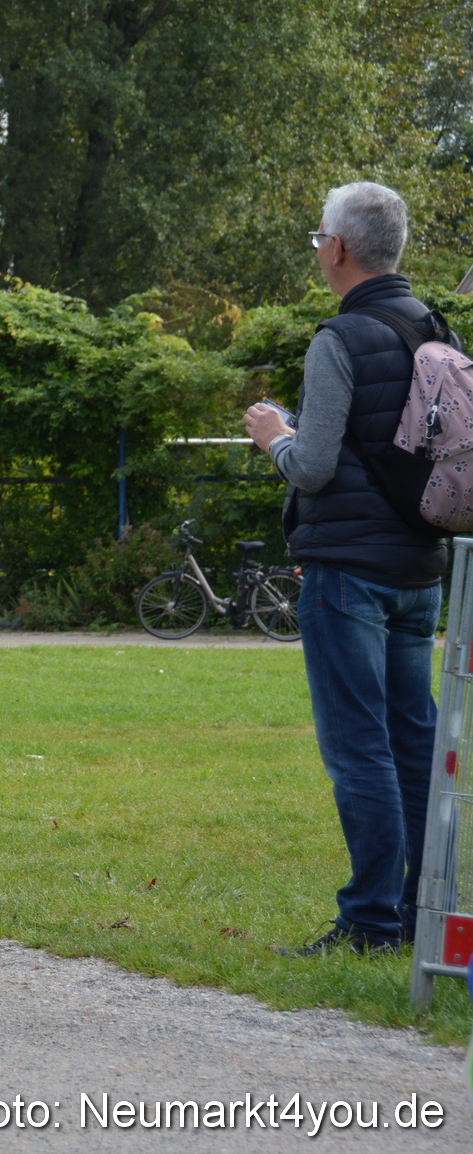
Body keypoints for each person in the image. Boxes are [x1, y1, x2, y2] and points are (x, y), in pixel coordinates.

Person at [244, 182, 456, 956]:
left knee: (359, 747)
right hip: (419, 568)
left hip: (348, 575)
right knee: (414, 744)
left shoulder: (340, 338)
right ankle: (419, 914)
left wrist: (275, 435)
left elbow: (315, 466)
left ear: (336, 248)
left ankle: (368, 921)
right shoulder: (436, 331)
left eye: (318, 239)